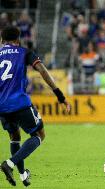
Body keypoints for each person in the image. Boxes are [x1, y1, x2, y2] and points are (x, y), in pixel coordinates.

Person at [0, 26, 71, 186]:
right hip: (19, 102)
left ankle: (23, 175)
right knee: (39, 135)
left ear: (2, 40)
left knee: (15, 137)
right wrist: (59, 95)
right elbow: (42, 70)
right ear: (18, 40)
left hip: (2, 106)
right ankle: (9, 164)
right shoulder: (23, 52)